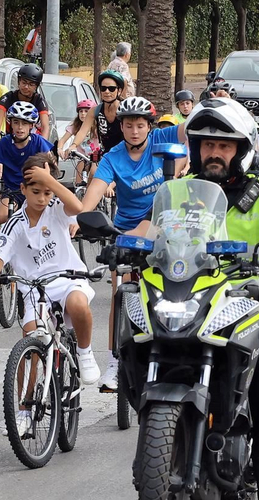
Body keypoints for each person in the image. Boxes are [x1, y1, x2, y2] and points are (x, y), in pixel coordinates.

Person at [164, 98, 259, 500]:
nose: (214, 152)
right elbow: (146, 226)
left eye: (224, 146)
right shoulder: (176, 191)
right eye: (207, 144)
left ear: (241, 151)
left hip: (246, 300)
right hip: (187, 295)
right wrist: (121, 240)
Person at [79, 95, 187, 390]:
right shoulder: (113, 157)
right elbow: (92, 196)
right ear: (122, 127)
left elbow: (191, 128)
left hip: (167, 227)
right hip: (127, 233)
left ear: (149, 127)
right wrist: (79, 221)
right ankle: (115, 362)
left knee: (174, 291)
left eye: (141, 125)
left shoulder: (162, 139)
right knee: (120, 293)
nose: (135, 131)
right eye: (129, 125)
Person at [0, 152, 101, 412]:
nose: (42, 198)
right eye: (36, 191)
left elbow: (78, 208)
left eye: (47, 192)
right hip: (36, 290)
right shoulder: (14, 223)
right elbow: (0, 253)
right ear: (23, 189)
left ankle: (84, 352)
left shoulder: (57, 208)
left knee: (79, 304)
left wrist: (49, 180)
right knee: (30, 343)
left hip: (68, 278)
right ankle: (24, 410)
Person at [0, 102, 55, 225]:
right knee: (2, 217)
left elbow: (50, 164)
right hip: (11, 190)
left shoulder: (38, 142)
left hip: (33, 189)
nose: (20, 127)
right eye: (16, 122)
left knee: (37, 220)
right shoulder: (4, 143)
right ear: (10, 123)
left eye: (24, 123)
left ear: (31, 126)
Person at [0, 63, 51, 145]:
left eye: (31, 84)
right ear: (19, 82)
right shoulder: (8, 97)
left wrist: (43, 147)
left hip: (33, 141)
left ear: (36, 86)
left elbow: (45, 126)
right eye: (24, 82)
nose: (26, 87)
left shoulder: (39, 100)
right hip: (11, 140)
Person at [94, 70, 126, 156]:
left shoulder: (125, 109)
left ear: (119, 91)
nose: (107, 92)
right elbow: (82, 131)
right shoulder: (96, 110)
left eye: (111, 89)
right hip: (106, 157)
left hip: (124, 156)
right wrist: (73, 145)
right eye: (103, 88)